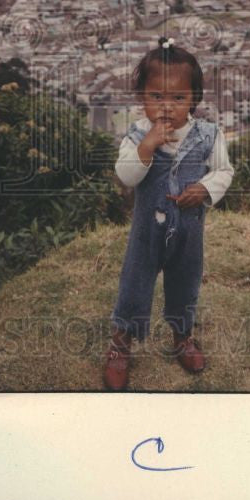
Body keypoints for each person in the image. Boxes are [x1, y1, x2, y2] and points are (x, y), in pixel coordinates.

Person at [103, 36, 235, 391]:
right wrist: (147, 148)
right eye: (155, 97)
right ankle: (120, 345)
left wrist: (206, 188)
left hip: (189, 233)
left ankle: (182, 337)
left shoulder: (208, 135)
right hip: (146, 232)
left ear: (193, 99)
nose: (166, 108)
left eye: (177, 98)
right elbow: (126, 175)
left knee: (185, 285)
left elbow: (224, 171)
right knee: (135, 285)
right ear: (142, 98)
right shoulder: (136, 136)